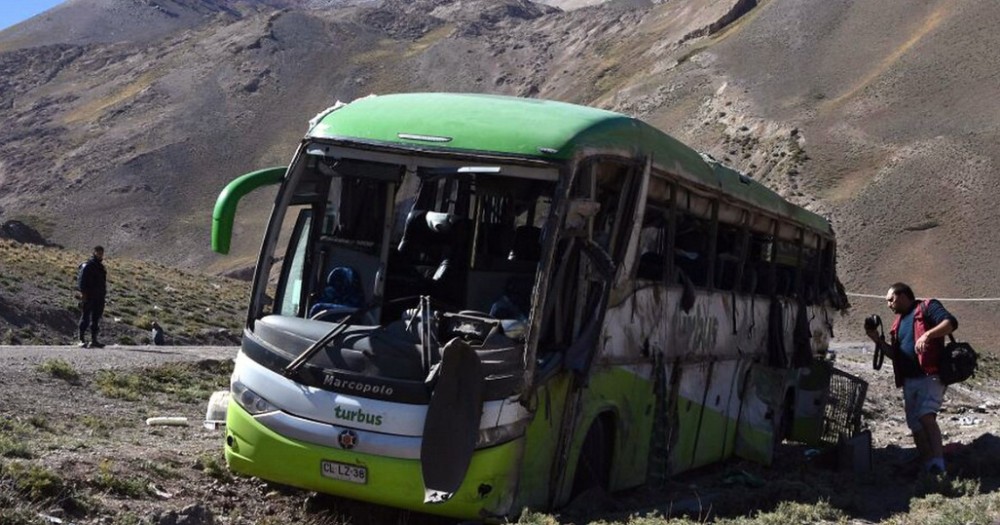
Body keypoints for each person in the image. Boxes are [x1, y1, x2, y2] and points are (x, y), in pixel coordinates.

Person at [865, 282, 957, 475]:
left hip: (930, 374)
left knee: (926, 416)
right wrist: (877, 340)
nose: (889, 304)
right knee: (915, 424)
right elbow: (896, 355)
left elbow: (950, 323)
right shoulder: (898, 324)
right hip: (909, 379)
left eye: (891, 299)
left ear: (903, 295)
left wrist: (927, 335)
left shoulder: (927, 307)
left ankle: (939, 464)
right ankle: (928, 465)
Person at [77, 246, 107, 348]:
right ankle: (81, 339)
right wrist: (83, 294)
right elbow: (81, 281)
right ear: (94, 253)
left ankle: (94, 340)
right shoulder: (88, 265)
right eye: (98, 253)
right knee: (85, 317)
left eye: (101, 253)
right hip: (89, 296)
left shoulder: (100, 267)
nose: (100, 255)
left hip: (99, 297)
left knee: (96, 319)